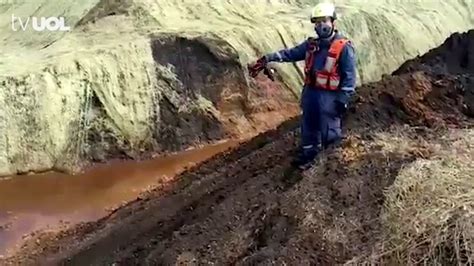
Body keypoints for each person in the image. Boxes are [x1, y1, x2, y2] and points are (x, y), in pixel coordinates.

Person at [248, 2, 357, 168]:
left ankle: (331, 164)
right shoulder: (311, 45)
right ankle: (309, 156)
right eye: (317, 22)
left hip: (330, 96)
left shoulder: (344, 48)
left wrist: (344, 99)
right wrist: (269, 58)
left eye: (324, 21)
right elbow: (290, 53)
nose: (321, 25)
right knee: (309, 126)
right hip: (311, 93)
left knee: (330, 130)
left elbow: (349, 76)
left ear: (333, 21)